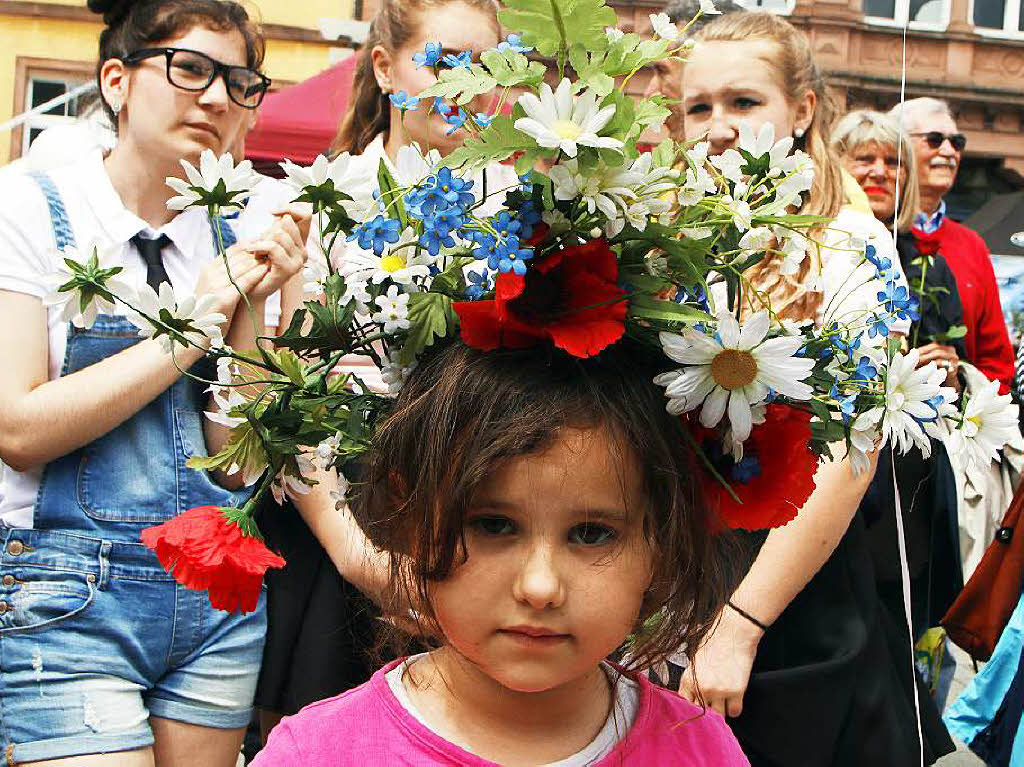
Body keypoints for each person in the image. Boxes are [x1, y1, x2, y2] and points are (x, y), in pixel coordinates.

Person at [0, 0, 307, 763]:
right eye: (191, 69)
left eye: (240, 82)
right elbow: (18, 428)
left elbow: (236, 463)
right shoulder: (30, 207)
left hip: (216, 600)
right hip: (64, 589)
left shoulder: (247, 228)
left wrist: (252, 304)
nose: (216, 98)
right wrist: (195, 322)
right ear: (116, 81)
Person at [254, 338, 750, 766]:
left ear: (660, 542)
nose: (539, 588)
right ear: (412, 520)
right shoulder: (317, 755)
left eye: (592, 534)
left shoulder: (701, 752)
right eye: (494, 525)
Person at [676, 13, 955, 766]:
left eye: (743, 103)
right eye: (698, 107)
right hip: (683, 562)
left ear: (800, 112)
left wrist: (741, 621)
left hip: (797, 581)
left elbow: (850, 451)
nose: (719, 127)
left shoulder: (848, 243)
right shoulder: (673, 230)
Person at [254, 0, 520, 740]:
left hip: (474, 518)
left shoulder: (516, 210)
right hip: (343, 515)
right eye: (442, 61)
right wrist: (354, 551)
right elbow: (286, 398)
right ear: (383, 66)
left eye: (485, 66)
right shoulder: (317, 201)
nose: (464, 86)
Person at [833, 109, 966, 696]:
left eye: (893, 162)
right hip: (843, 461)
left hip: (915, 469)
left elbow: (962, 354)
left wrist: (950, 371)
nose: (881, 172)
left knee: (914, 615)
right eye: (865, 159)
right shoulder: (825, 244)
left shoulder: (927, 257)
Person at [890, 96, 1015, 392]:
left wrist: (959, 382)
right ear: (898, 148)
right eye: (934, 140)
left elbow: (997, 363)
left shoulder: (972, 244)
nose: (948, 151)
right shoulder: (873, 230)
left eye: (956, 142)